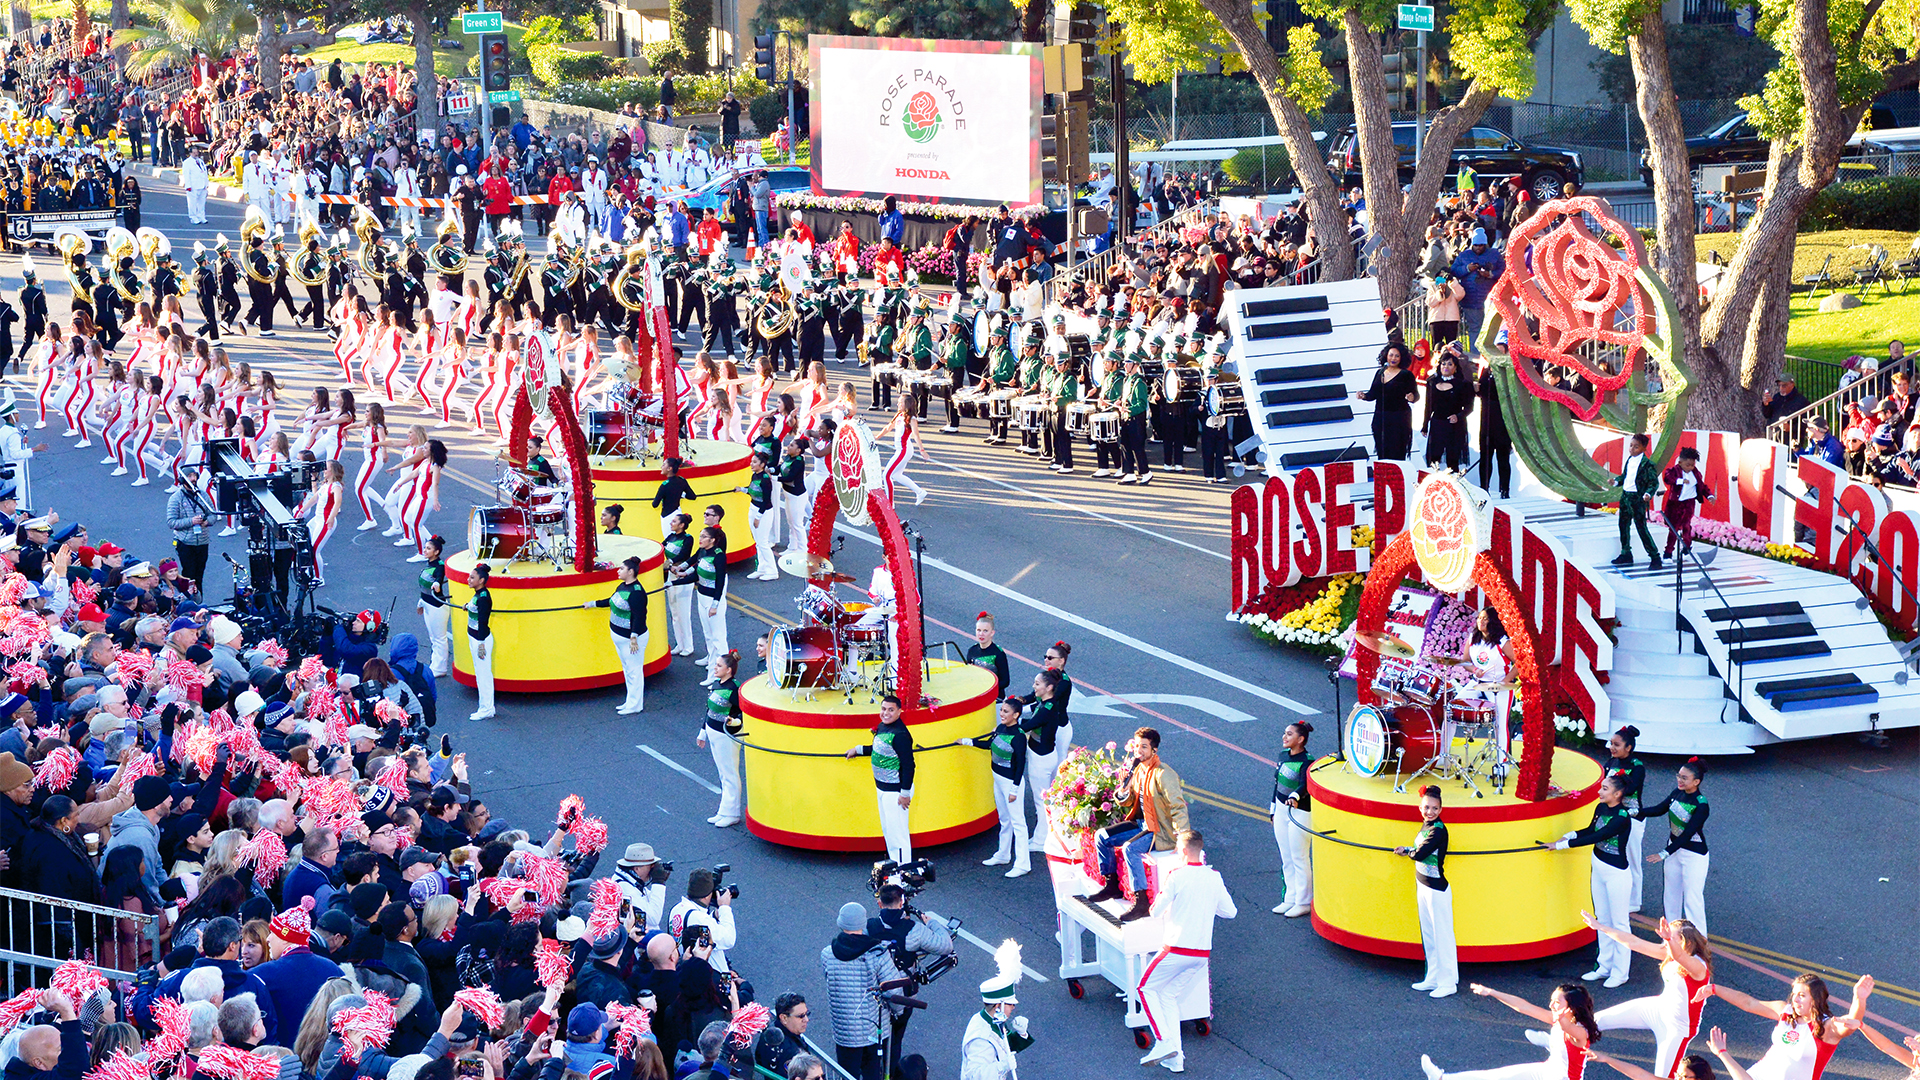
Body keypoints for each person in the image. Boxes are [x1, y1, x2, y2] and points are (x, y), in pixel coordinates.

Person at [1137, 830, 1235, 1074]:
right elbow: (1230, 912)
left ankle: (1163, 1042)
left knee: (1145, 988)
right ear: (1200, 850)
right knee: (1168, 995)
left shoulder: (1176, 876)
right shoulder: (1214, 876)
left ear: (1181, 851)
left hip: (1176, 949)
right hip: (1200, 955)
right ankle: (1175, 1059)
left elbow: (1155, 911)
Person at [1578, 917, 1713, 1078]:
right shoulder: (1670, 951)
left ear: (1687, 943)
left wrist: (1669, 939)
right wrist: (1600, 927)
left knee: (1661, 1078)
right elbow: (1633, 942)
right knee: (1593, 1021)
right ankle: (1560, 1045)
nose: (1664, 942)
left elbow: (1681, 958)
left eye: (1670, 938)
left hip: (1676, 1028)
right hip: (1657, 1008)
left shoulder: (1698, 967)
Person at [1083, 727, 1189, 923]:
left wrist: (1183, 837)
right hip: (1141, 823)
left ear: (1154, 751)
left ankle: (1141, 901)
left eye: (1144, 747)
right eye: (1137, 746)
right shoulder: (1138, 770)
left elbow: (1178, 806)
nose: (1138, 751)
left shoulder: (1164, 774)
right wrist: (1124, 790)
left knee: (1130, 848)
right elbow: (1129, 801)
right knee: (1101, 837)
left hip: (1158, 829)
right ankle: (1112, 883)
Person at [1545, 773, 1634, 987]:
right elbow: (1589, 830)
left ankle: (1621, 973)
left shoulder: (1622, 817)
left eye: (1605, 789)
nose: (1599, 791)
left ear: (1618, 794)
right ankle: (1604, 966)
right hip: (1599, 869)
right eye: (1601, 787)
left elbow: (1597, 837)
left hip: (1616, 874)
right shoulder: (1601, 807)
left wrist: (1561, 846)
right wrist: (1568, 835)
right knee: (1602, 919)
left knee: (1619, 923)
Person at [1695, 974, 1872, 1080]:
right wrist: (1714, 988)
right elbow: (1748, 1003)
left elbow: (1851, 1023)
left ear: (1816, 999)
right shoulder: (1785, 1012)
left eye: (1802, 995)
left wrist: (1859, 999)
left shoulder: (1826, 1027)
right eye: (1794, 994)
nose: (1795, 999)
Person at [1420, 983, 1602, 1080]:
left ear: (1572, 1007)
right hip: (1546, 1071)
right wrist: (1491, 992)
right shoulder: (1557, 1018)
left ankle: (1547, 1042)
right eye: (1551, 1000)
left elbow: (1567, 1028)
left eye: (1557, 1002)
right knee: (1496, 1076)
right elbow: (1523, 1006)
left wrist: (1560, 1020)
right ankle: (1441, 1078)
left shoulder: (1581, 1032)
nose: (1551, 1005)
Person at [819, 901, 898, 1080]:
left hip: (845, 1031)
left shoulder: (827, 954)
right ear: (863, 924)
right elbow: (894, 991)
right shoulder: (878, 953)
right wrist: (897, 1012)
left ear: (841, 923)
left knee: (848, 1074)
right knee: (873, 1073)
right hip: (874, 1028)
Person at [1395, 785, 1456, 998]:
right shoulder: (1426, 825)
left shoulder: (1438, 830)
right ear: (1420, 807)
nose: (1429, 811)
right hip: (1423, 885)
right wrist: (1407, 850)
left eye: (1434, 808)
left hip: (1436, 889)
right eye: (1426, 807)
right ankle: (1433, 977)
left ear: (1440, 809)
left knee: (1442, 936)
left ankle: (1448, 982)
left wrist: (1408, 851)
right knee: (1429, 936)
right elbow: (1417, 852)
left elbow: (1421, 853)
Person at [1639, 757, 1710, 933]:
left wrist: (1664, 853)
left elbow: (1688, 833)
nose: (1679, 780)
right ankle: (1672, 938)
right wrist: (1636, 812)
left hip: (1694, 854)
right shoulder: (1676, 792)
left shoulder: (1701, 804)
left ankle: (1700, 944)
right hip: (1674, 850)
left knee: (1692, 900)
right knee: (1671, 896)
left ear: (1696, 781)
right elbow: (1659, 809)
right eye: (1678, 775)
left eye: (1684, 778)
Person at [959, 698, 1028, 877]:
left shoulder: (1019, 737)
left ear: (1016, 715)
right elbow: (989, 744)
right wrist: (967, 741)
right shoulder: (999, 729)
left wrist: (1014, 789)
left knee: (1018, 823)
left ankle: (1022, 864)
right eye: (1002, 710)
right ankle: (1003, 854)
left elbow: (1020, 764)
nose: (1002, 714)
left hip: (1011, 782)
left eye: (1006, 712)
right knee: (1004, 819)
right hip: (997, 779)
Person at [846, 694, 915, 864]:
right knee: (889, 832)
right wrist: (858, 749)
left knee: (897, 834)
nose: (886, 713)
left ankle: (902, 871)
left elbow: (909, 765)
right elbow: (879, 750)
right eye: (883, 709)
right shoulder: (883, 727)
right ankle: (895, 867)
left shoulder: (900, 735)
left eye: (891, 710)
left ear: (899, 711)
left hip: (895, 792)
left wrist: (904, 793)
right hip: (883, 789)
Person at [585, 555, 649, 714]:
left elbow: (640, 616)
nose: (618, 571)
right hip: (619, 636)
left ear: (631, 572)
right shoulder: (622, 586)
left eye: (622, 569)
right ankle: (630, 701)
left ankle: (635, 705)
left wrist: (634, 636)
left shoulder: (636, 592)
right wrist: (593, 604)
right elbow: (611, 600)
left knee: (634, 671)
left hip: (631, 639)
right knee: (627, 669)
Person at [961, 943, 1032, 1080]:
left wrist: (1021, 1034)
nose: (1013, 1007)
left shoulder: (993, 1020)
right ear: (999, 1005)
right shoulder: (981, 1038)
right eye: (1010, 1004)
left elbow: (1003, 1045)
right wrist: (1003, 1066)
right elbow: (974, 1075)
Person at [1268, 720, 1313, 917]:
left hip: (1299, 811)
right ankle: (1290, 898)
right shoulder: (1282, 756)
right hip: (1280, 808)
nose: (1284, 737)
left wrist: (1295, 795)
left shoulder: (1307, 761)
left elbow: (1304, 785)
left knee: (1299, 857)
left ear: (1300, 739)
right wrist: (1272, 808)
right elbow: (1277, 783)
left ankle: (1303, 901)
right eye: (1285, 733)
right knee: (1286, 857)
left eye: (1289, 734)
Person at [696, 650, 743, 827]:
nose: (714, 668)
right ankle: (724, 810)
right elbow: (709, 710)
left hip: (726, 735)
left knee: (730, 773)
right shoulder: (717, 684)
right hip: (713, 731)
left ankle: (733, 813)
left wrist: (735, 721)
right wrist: (703, 732)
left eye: (718, 666)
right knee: (723, 774)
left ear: (729, 670)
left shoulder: (733, 689)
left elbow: (743, 712)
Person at [1358, 345, 1418, 461]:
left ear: (1402, 358)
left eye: (1397, 356)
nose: (1393, 358)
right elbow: (1373, 393)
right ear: (1386, 356)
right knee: (1382, 452)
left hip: (1399, 418)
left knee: (1397, 451)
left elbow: (1416, 395)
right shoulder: (1380, 373)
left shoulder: (1406, 375)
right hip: (1381, 418)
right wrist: (1364, 396)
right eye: (1391, 355)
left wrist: (1412, 397)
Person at [1614, 432, 1661, 569]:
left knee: (1641, 528)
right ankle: (1626, 553)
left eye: (1636, 447)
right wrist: (1616, 482)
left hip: (1637, 498)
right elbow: (1625, 477)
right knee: (1623, 525)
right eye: (1631, 446)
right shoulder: (1629, 460)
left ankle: (1654, 556)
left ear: (1643, 448)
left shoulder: (1648, 465)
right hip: (1625, 497)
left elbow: (1653, 483)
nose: (1632, 449)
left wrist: (1648, 493)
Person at [1661, 446, 1712, 558]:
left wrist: (1709, 495)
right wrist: (1680, 481)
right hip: (1676, 504)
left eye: (1692, 465)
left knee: (1686, 525)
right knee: (1673, 528)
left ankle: (1687, 546)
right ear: (1680, 462)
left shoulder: (1696, 473)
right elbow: (1667, 478)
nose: (1690, 468)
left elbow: (1701, 486)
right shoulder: (1674, 471)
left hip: (1689, 503)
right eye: (1687, 465)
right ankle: (1668, 552)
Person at [465, 562, 495, 720]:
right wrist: (467, 606)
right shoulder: (478, 594)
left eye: (472, 577)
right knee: (480, 673)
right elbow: (475, 608)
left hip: (480, 639)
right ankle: (485, 706)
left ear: (481, 580)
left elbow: (483, 620)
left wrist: (482, 643)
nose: (468, 579)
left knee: (483, 675)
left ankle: (487, 708)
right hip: (475, 638)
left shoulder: (483, 597)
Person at [965, 612, 1011, 696]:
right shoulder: (972, 650)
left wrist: (988, 689)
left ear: (992, 633)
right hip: (976, 694)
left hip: (994, 697)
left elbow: (1005, 681)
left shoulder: (998, 653)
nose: (981, 634)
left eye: (985, 631)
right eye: (979, 630)